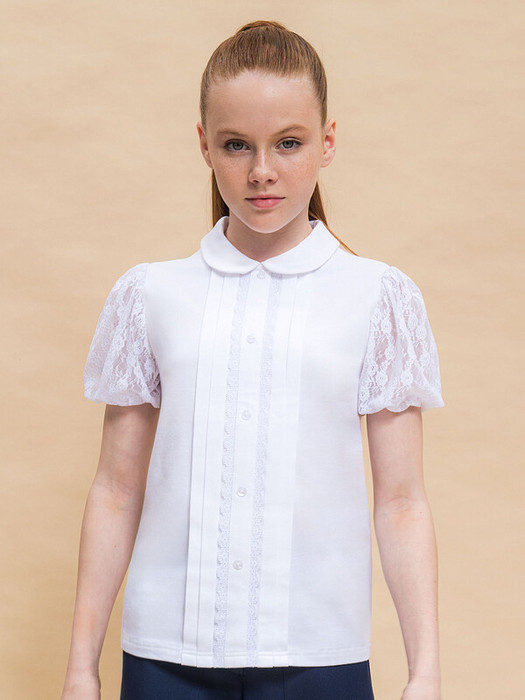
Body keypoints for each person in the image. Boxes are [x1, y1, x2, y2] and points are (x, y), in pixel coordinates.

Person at [61, 20, 444, 700]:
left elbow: (401, 501)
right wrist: (80, 670)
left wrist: (425, 672)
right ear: (204, 144)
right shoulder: (151, 295)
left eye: (288, 143)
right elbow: (115, 491)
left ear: (327, 143)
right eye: (236, 144)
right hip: (163, 659)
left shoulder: (376, 297)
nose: (261, 170)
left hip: (319, 656)